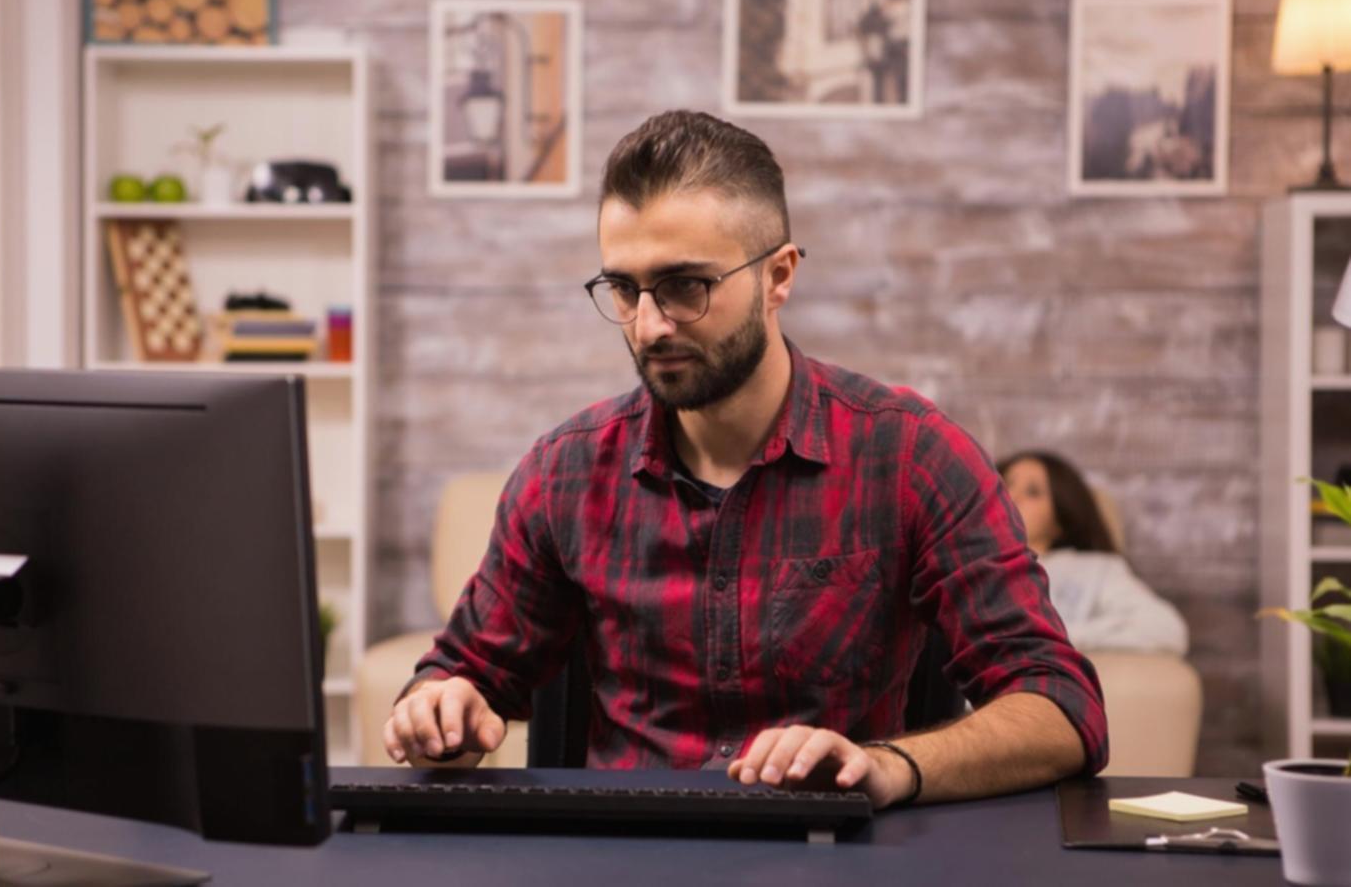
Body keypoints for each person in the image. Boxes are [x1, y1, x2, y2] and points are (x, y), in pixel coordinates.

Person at [383, 110, 1107, 809]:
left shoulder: (911, 458)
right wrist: (438, 713)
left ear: (779, 275)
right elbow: (461, 675)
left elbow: (1061, 708)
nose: (649, 324)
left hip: (832, 861)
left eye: (685, 286)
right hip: (624, 864)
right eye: (623, 289)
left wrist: (890, 767)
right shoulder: (564, 475)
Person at [997, 450, 1189, 656]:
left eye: (1033, 491)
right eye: (1004, 485)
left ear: (1061, 519)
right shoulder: (966, 564)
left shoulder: (1095, 570)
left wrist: (1054, 637)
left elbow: (1166, 629)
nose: (1011, 496)